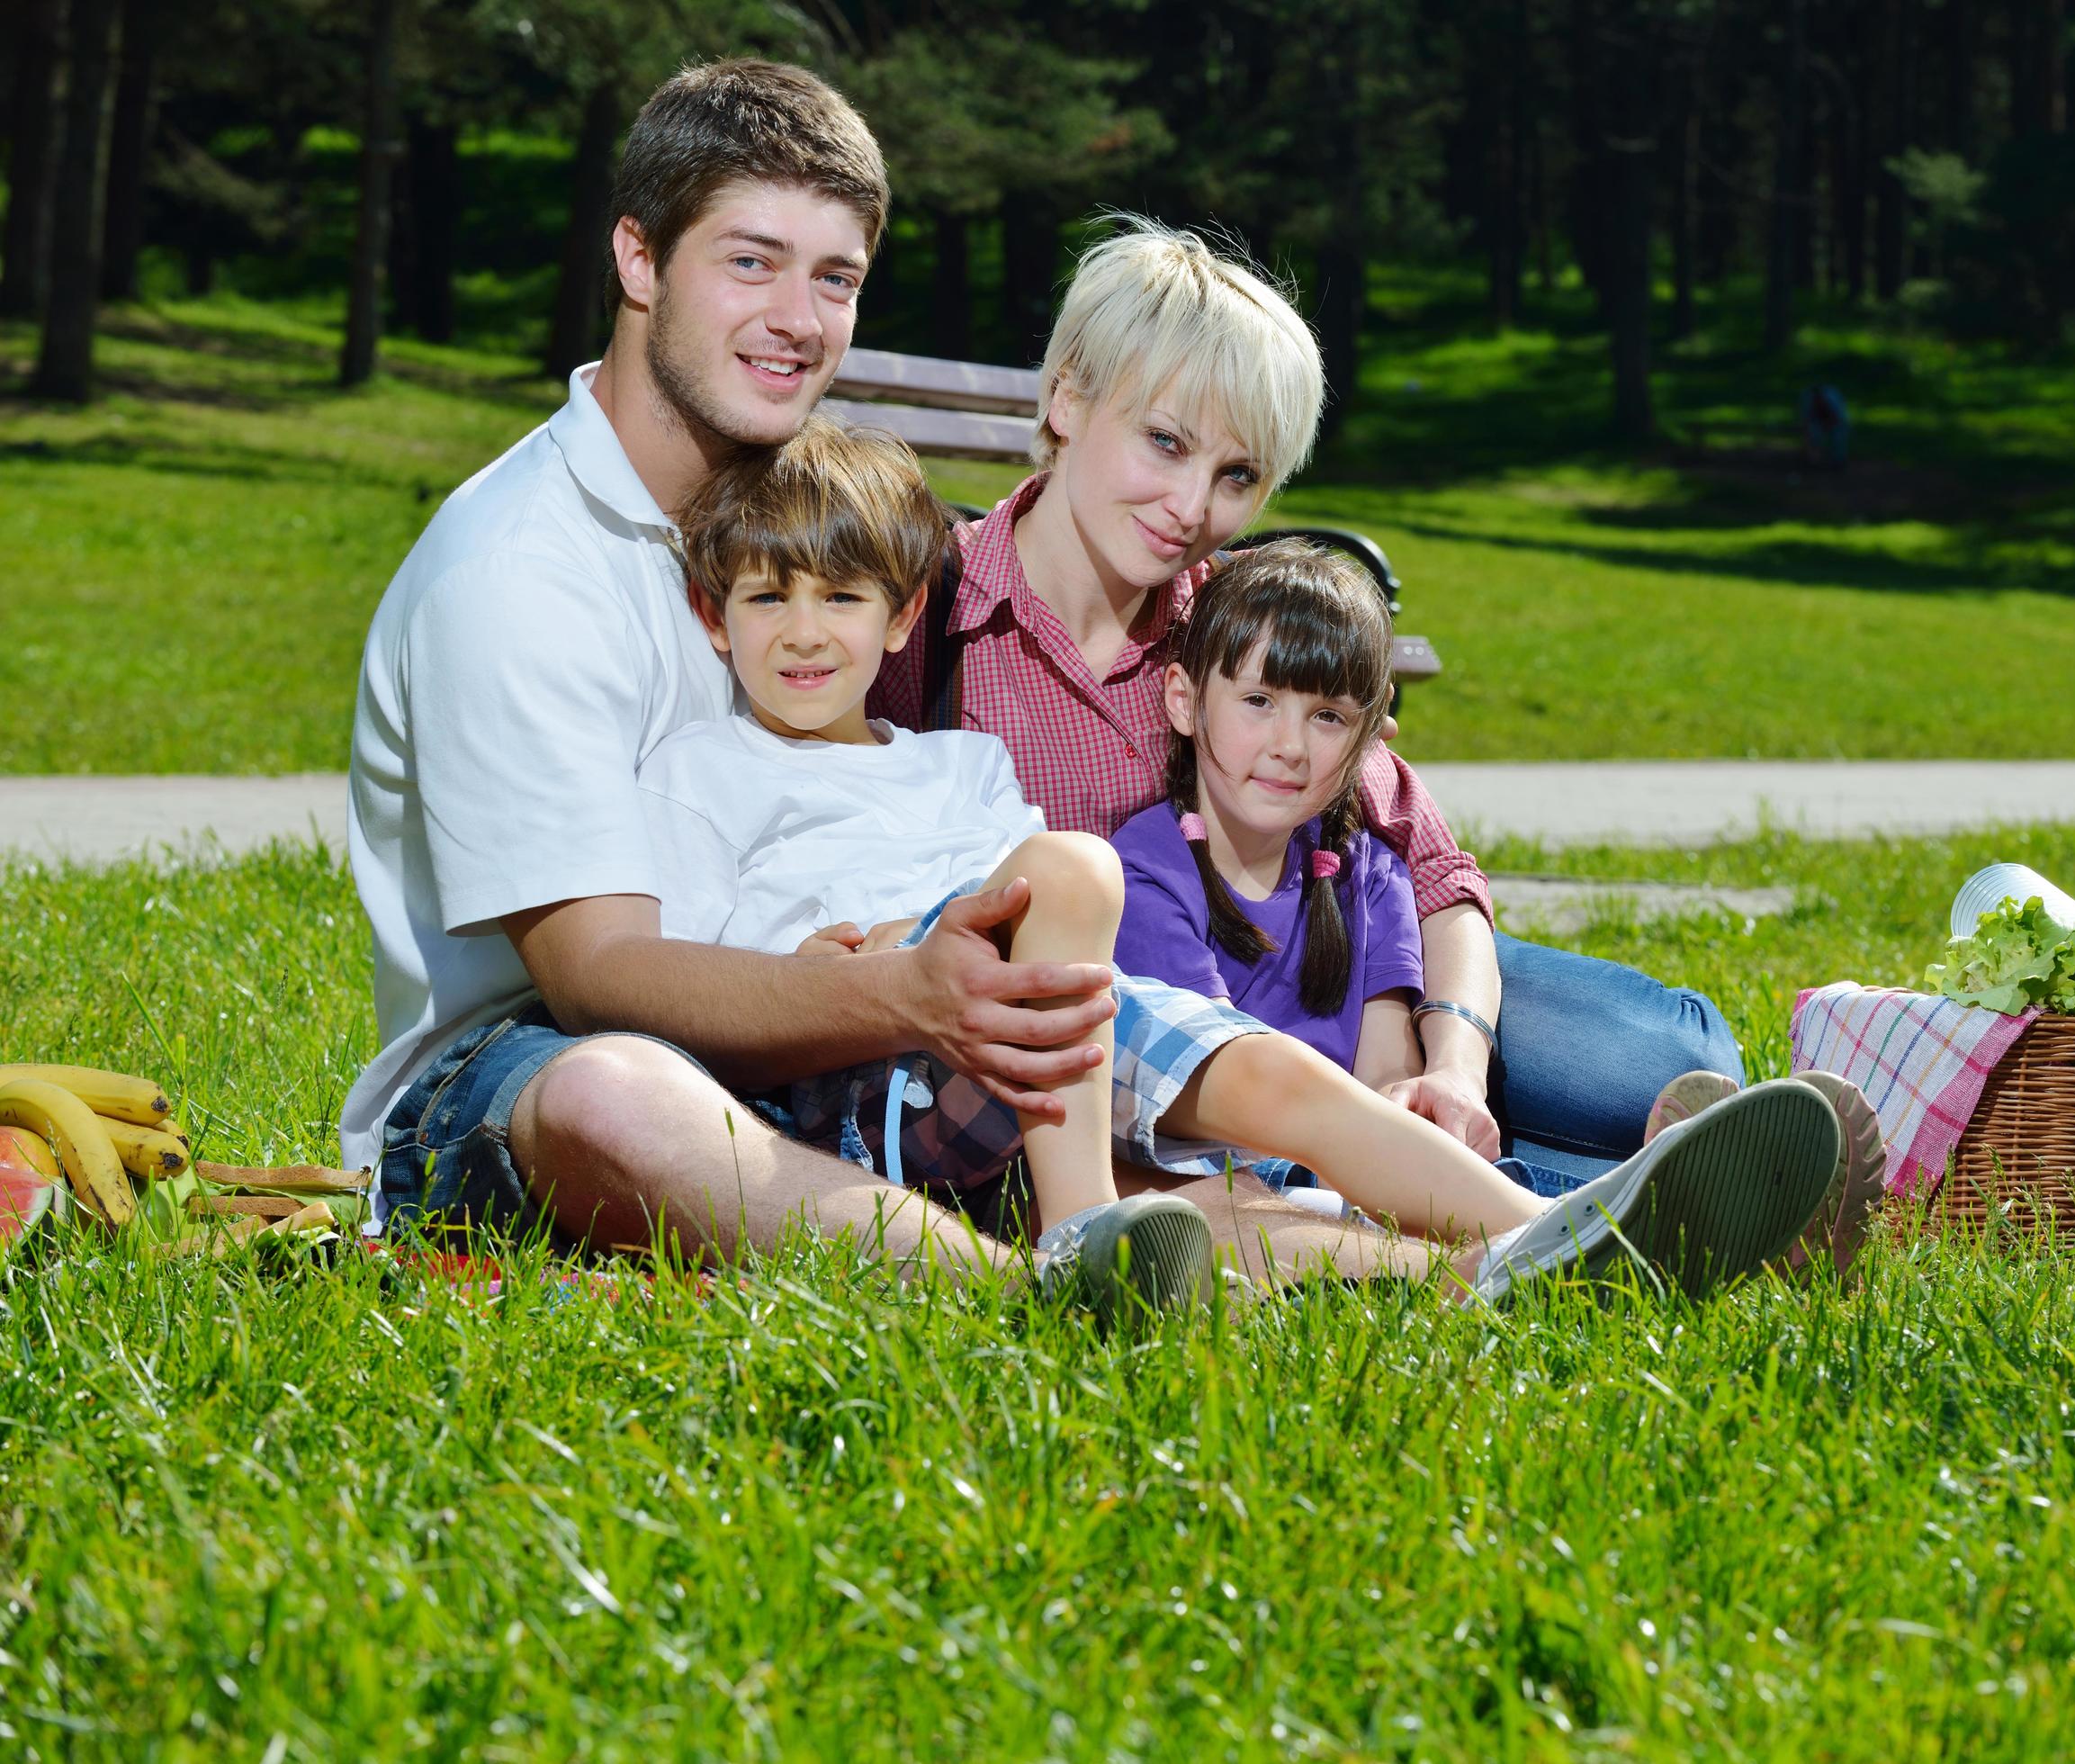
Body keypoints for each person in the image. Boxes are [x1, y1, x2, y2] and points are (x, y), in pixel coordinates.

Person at [337, 59, 1361, 1288]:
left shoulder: (794, 539)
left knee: (1130, 1141)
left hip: (814, 1046)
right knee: (619, 1095)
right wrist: (902, 996)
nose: (797, 317)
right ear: (637, 261)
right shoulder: (518, 564)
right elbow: (592, 973)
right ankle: (1029, 1294)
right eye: (750, 261)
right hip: (529, 1066)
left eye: (836, 279)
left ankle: (1501, 1248)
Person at [636, 418, 1848, 1302]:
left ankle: (1522, 1254)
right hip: (892, 1067)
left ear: (894, 619)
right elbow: (681, 978)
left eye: (841, 599)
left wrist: (1449, 1058)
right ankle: (1077, 1239)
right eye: (768, 600)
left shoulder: (954, 765)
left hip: (1056, 1024)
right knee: (1074, 877)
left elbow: (1416, 856)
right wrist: (809, 965)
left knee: (1255, 1147)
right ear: (714, 615)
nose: (804, 631)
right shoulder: (700, 773)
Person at [871, 219, 1746, 1191]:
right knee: (1573, 1134)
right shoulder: (928, 614)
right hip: (1130, 1064)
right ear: (1068, 397)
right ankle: (1646, 1194)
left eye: (1236, 474)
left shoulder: (1234, 609)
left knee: (1664, 1060)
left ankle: (1661, 1170)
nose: (1191, 506)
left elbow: (1430, 868)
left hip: (1317, 984)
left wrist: (1453, 1068)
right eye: (1164, 443)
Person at [1108, 536, 1887, 1273]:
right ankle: (1654, 1227)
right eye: (1257, 701)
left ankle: (1722, 1212)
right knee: (1275, 1219)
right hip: (1241, 1172)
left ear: (1370, 735)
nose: (1288, 744)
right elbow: (1215, 1097)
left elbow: (1388, 1066)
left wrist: (1422, 1108)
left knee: (1479, 1184)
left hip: (1376, 1172)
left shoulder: (1365, 869)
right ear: (1183, 699)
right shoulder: (1147, 875)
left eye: (1327, 717)